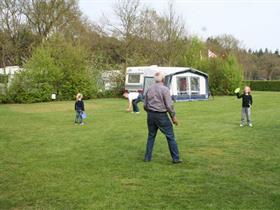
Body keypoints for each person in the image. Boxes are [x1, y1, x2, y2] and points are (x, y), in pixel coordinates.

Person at [143, 72, 182, 164]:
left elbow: (145, 105)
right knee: (170, 136)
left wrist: (150, 112)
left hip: (150, 115)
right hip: (161, 115)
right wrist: (173, 117)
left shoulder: (149, 89)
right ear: (163, 79)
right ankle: (176, 158)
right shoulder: (165, 89)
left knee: (151, 136)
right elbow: (169, 105)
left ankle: (147, 157)